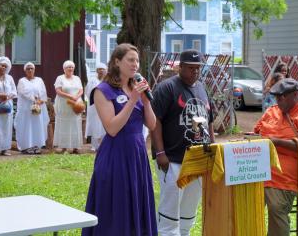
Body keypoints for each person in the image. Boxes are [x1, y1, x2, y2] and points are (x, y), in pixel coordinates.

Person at [82, 43, 157, 236]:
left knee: (136, 204)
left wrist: (146, 102)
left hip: (137, 153)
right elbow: (112, 128)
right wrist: (132, 100)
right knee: (117, 203)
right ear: (117, 62)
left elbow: (152, 124)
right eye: (130, 60)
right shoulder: (103, 90)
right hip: (116, 155)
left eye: (137, 61)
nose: (135, 65)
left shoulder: (136, 88)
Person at [151, 49, 215, 236]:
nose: (195, 72)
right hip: (173, 158)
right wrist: (160, 152)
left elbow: (209, 121)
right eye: (190, 68)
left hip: (198, 159)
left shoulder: (202, 89)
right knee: (170, 211)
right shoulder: (167, 88)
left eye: (198, 68)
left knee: (189, 210)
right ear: (180, 67)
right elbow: (155, 122)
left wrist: (213, 148)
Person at [254, 78, 298, 236]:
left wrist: (277, 142)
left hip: (290, 173)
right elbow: (256, 132)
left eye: (281, 98)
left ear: (295, 95)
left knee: (276, 206)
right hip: (262, 169)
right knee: (244, 199)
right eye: (276, 98)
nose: (278, 102)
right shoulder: (272, 111)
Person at [14, 62, 49, 154]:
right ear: (25, 70)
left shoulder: (39, 80)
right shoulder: (22, 81)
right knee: (26, 126)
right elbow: (23, 92)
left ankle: (37, 145)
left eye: (31, 68)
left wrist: (41, 101)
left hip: (38, 107)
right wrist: (34, 99)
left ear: (34, 70)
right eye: (28, 68)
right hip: (26, 109)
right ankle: (26, 146)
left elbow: (43, 92)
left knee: (37, 126)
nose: (30, 70)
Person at [53, 60, 84, 154]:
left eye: (72, 67)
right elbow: (58, 91)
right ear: (64, 69)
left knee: (75, 124)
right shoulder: (60, 78)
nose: (70, 69)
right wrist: (70, 96)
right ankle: (64, 147)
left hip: (76, 104)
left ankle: (76, 146)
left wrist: (77, 97)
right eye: (68, 67)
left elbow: (81, 90)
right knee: (64, 125)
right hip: (64, 104)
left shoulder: (77, 78)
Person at [0, 57, 17, 157]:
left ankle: (5, 148)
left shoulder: (9, 78)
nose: (3, 67)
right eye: (1, 65)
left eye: (5, 66)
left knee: (6, 127)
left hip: (7, 105)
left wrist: (8, 96)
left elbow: (14, 92)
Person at [85, 63, 107, 151]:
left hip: (105, 106)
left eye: (103, 69)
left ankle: (103, 144)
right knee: (94, 124)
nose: (101, 71)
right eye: (99, 69)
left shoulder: (107, 81)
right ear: (97, 71)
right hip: (94, 106)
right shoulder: (92, 81)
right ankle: (94, 145)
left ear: (106, 71)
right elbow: (88, 92)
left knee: (103, 124)